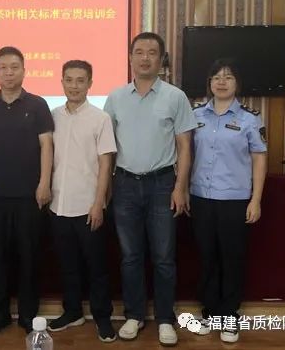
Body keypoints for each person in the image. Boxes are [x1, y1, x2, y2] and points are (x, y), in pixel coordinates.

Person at [103, 32, 197, 346]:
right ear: (130, 57)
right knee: (130, 256)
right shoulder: (116, 98)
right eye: (139, 52)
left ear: (161, 59)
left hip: (162, 185)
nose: (145, 58)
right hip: (125, 184)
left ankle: (165, 318)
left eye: (152, 52)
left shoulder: (175, 97)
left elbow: (185, 147)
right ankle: (134, 315)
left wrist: (180, 187)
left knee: (164, 257)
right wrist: (106, 187)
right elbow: (108, 149)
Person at [0, 46, 54, 336]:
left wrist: (44, 182)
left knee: (29, 257)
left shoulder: (38, 105)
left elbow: (47, 145)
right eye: (3, 68)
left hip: (29, 196)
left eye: (14, 67)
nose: (9, 73)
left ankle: (28, 315)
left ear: (24, 70)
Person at [189, 59, 267, 344]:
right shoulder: (196, 115)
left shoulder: (249, 119)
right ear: (209, 83)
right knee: (207, 256)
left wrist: (256, 199)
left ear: (237, 84)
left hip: (234, 200)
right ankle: (210, 312)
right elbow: (185, 154)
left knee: (232, 258)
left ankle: (229, 315)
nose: (221, 82)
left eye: (228, 77)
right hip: (201, 197)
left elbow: (259, 159)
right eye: (216, 77)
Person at [47, 60, 117, 343]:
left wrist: (99, 203)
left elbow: (105, 164)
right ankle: (73, 311)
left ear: (90, 84)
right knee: (67, 265)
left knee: (97, 267)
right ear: (62, 82)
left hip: (89, 205)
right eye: (69, 80)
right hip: (58, 204)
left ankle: (102, 317)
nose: (74, 86)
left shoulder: (100, 119)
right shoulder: (52, 117)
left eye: (80, 80)